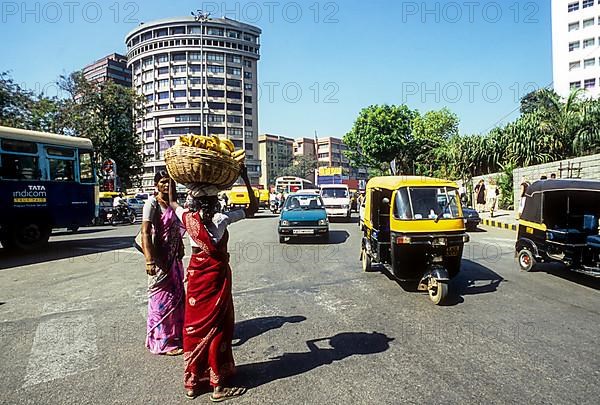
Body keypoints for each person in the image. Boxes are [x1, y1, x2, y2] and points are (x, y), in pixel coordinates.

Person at [168, 165, 258, 401]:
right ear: (214, 199)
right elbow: (253, 208)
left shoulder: (188, 219)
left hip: (197, 280)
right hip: (217, 278)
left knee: (194, 326)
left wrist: (170, 179)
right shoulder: (222, 218)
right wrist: (245, 178)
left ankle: (193, 383)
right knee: (216, 326)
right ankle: (217, 386)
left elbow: (172, 203)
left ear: (195, 201)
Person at [140, 171, 185, 356]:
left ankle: (176, 335)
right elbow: (145, 232)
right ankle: (162, 342)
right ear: (156, 184)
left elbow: (176, 228)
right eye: (163, 182)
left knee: (176, 298)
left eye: (170, 182)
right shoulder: (152, 203)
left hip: (174, 259)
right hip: (160, 260)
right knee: (161, 301)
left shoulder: (173, 204)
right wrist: (149, 261)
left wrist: (180, 248)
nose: (167, 185)